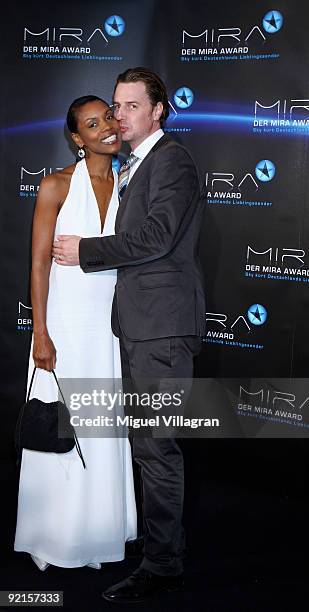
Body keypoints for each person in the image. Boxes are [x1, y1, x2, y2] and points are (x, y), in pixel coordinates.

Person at [52, 67, 205, 602]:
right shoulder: (132, 166)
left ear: (158, 109)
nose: (119, 115)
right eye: (115, 106)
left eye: (131, 106)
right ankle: (159, 550)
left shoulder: (173, 161)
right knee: (148, 444)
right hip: (139, 325)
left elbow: (159, 236)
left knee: (156, 447)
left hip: (162, 326)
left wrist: (86, 252)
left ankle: (163, 565)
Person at [14, 96, 137, 570]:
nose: (106, 127)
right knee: (61, 425)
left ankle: (98, 533)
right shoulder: (56, 186)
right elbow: (38, 264)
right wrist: (40, 334)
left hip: (109, 331)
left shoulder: (131, 184)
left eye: (108, 116)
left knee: (103, 429)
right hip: (65, 326)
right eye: (92, 124)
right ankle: (53, 537)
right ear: (76, 138)